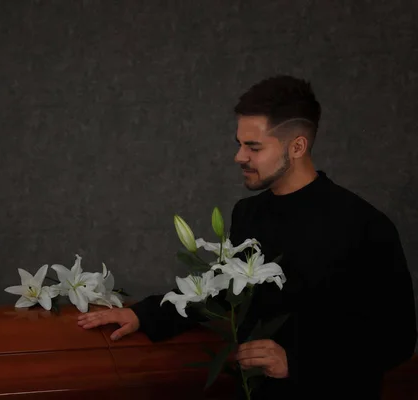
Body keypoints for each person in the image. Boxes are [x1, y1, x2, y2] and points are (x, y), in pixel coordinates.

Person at [77, 75, 417, 399]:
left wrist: (299, 364)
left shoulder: (364, 224)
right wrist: (144, 315)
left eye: (253, 147)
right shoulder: (248, 214)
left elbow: (397, 338)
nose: (239, 157)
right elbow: (221, 292)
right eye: (239, 144)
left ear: (297, 146)